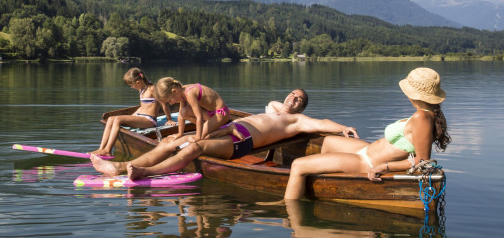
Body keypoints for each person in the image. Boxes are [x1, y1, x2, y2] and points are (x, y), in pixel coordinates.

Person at [91, 89, 360, 180]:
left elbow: (320, 122)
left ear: (303, 106)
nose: (294, 98)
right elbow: (273, 104)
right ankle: (120, 166)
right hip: (227, 129)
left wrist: (341, 127)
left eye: (299, 98)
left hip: (242, 144)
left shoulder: (298, 121)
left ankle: (146, 172)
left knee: (194, 149)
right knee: (176, 139)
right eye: (292, 94)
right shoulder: (276, 108)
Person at [278, 67, 451, 200]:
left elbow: (422, 161)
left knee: (298, 166)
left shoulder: (422, 116)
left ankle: (290, 213)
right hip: (368, 150)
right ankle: (326, 184)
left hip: (367, 161)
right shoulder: (426, 113)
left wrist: (385, 167)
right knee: (329, 141)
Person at [90, 68, 173, 157]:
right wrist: (131, 117)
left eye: (131, 84)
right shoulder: (141, 89)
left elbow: (164, 103)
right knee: (110, 118)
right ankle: (101, 148)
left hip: (149, 120)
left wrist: (169, 119)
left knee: (117, 119)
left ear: (138, 82)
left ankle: (107, 150)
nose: (131, 87)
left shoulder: (152, 88)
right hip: (141, 117)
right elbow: (143, 107)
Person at [153, 77, 229, 143]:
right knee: (183, 112)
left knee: (203, 138)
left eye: (170, 100)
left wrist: (198, 136)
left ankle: (229, 129)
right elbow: (180, 115)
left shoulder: (189, 93)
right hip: (209, 113)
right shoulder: (181, 93)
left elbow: (198, 116)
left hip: (221, 113)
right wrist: (180, 134)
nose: (171, 103)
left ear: (174, 91)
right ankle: (207, 127)